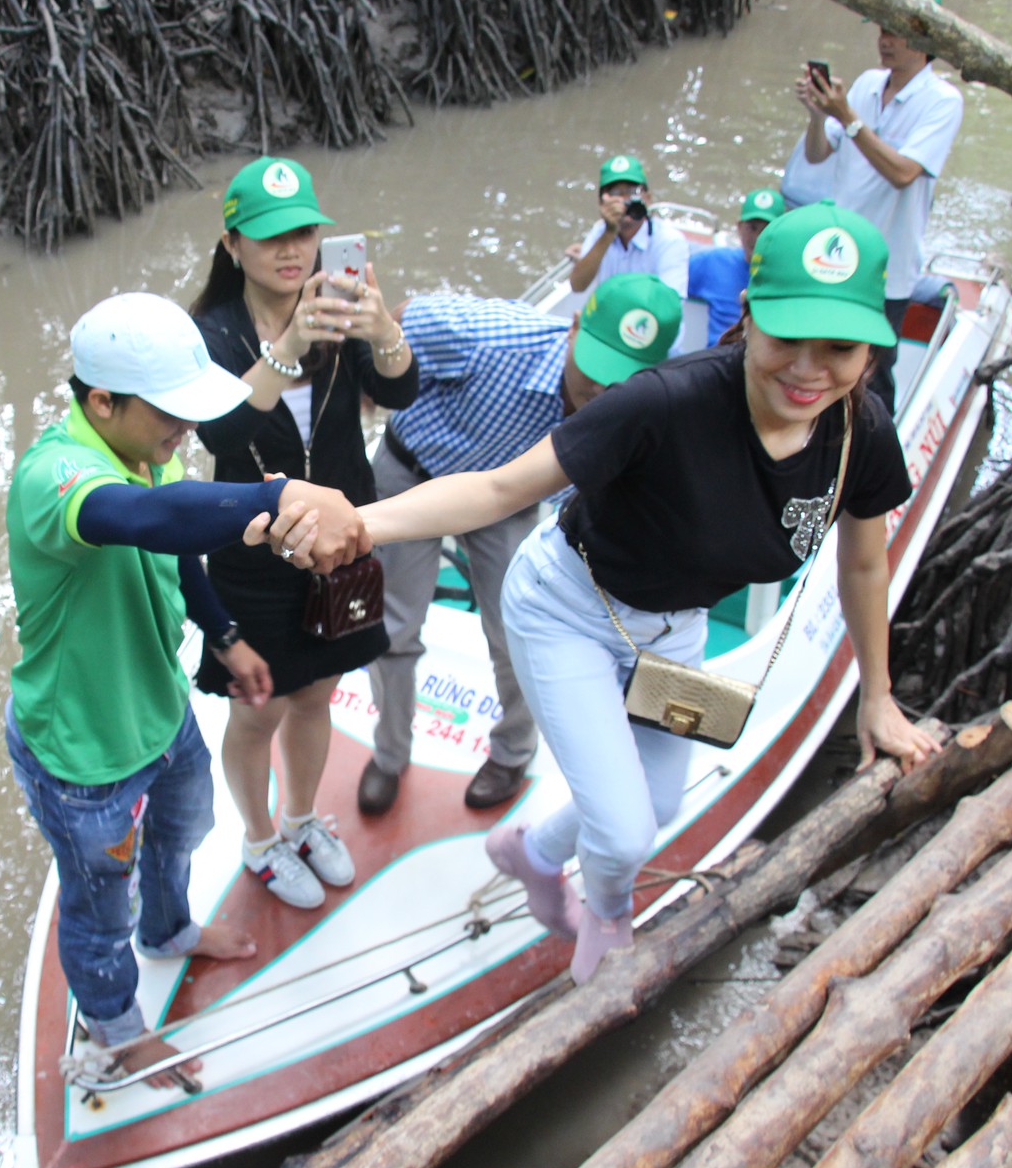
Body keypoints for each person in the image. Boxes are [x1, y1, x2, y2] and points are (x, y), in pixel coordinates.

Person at [271, 203, 942, 984]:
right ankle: (608, 915)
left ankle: (530, 850)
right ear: (749, 317)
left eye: (840, 347)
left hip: (676, 630)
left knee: (656, 808)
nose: (808, 369)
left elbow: (863, 566)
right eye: (788, 337)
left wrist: (878, 697)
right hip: (570, 610)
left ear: (871, 348)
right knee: (622, 835)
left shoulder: (862, 432)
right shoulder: (664, 402)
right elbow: (498, 489)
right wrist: (356, 519)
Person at [3, 291, 362, 1086]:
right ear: (102, 401)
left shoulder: (146, 448)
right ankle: (118, 1032)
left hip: (160, 714)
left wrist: (226, 635)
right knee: (97, 905)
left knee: (185, 828)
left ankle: (168, 931)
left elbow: (177, 549)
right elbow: (153, 518)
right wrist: (277, 498)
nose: (186, 432)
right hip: (84, 749)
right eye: (172, 412)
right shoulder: (55, 476)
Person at [359, 275, 684, 816]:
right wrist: (375, 385)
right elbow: (406, 318)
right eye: (596, 371)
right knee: (394, 628)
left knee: (520, 634)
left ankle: (512, 751)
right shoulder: (492, 336)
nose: (601, 396)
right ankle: (390, 754)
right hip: (412, 472)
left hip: (506, 503)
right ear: (574, 326)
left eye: (621, 383)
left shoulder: (646, 408)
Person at [191, 156, 419, 909]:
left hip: (340, 544)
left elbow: (400, 388)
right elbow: (220, 430)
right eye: (269, 237)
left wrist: (380, 325)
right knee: (257, 707)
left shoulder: (339, 306)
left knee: (317, 694)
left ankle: (300, 820)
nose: (292, 251)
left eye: (304, 233)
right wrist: (288, 345)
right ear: (233, 247)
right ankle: (258, 840)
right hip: (253, 550)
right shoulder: (213, 334)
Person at [793, 0, 964, 411]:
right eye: (883, 29)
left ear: (926, 42)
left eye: (897, 32)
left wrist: (847, 117)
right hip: (836, 254)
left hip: (888, 264)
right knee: (823, 354)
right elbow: (818, 153)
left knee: (873, 371)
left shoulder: (942, 101)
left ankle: (875, 454)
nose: (885, 40)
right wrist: (819, 116)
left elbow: (903, 173)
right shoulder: (869, 83)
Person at [565, 154, 690, 297]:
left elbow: (672, 304)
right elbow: (577, 285)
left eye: (633, 192)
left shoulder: (669, 240)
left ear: (648, 199)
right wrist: (609, 233)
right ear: (602, 203)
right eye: (616, 193)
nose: (625, 200)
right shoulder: (600, 232)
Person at [686, 188, 786, 346]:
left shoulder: (790, 278)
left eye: (767, 230)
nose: (758, 237)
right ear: (739, 228)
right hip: (716, 360)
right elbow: (669, 287)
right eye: (752, 228)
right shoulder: (712, 262)